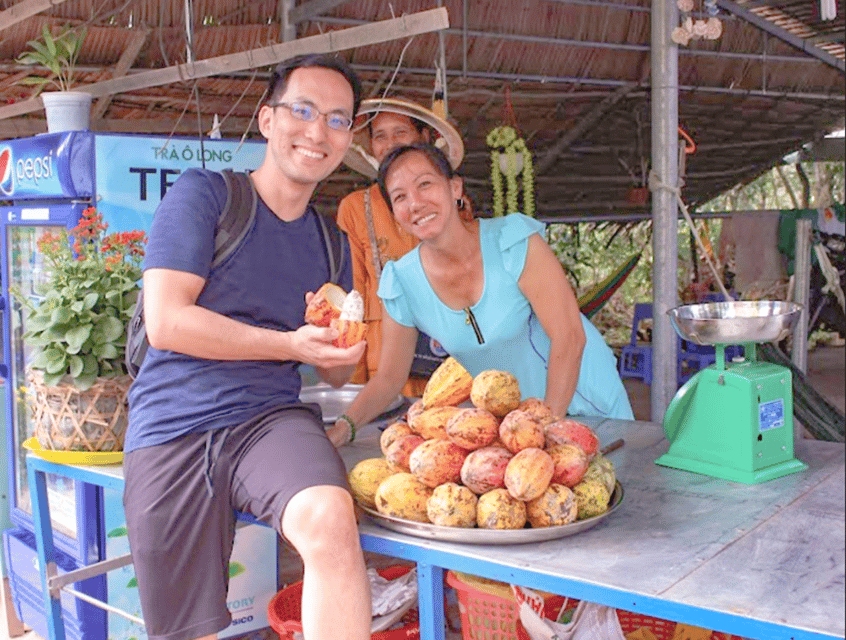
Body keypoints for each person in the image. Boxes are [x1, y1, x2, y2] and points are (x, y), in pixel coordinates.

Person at [123, 54, 372, 640]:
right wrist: (290, 342)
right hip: (173, 423)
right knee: (189, 629)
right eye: (303, 110)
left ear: (348, 138)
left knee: (331, 521)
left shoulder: (333, 247)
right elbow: (167, 322)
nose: (318, 131)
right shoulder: (205, 196)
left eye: (338, 119)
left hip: (268, 420)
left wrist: (339, 355)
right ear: (267, 120)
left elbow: (332, 376)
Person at [340, 143, 634, 437]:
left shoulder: (512, 242)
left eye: (425, 184)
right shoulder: (401, 283)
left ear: (455, 188)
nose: (415, 203)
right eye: (400, 197)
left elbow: (569, 337)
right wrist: (344, 427)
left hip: (588, 402)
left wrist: (545, 429)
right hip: (517, 425)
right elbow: (390, 378)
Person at [336, 98, 464, 400]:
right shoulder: (354, 208)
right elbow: (352, 293)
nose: (390, 143)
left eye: (400, 132)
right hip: (382, 355)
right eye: (379, 135)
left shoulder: (445, 196)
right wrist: (354, 377)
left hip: (448, 350)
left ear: (424, 138)